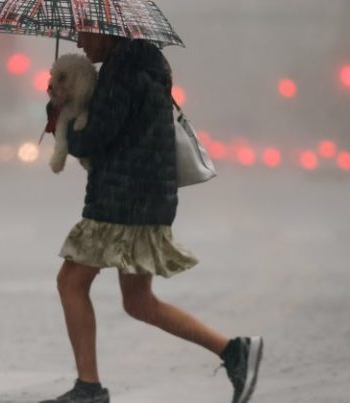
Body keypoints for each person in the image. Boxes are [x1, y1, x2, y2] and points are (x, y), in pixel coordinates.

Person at [40, 32, 263, 403]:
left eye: (85, 32)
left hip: (122, 199)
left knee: (71, 283)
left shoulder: (123, 69)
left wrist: (63, 119)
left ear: (104, 29)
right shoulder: (142, 62)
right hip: (144, 197)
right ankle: (234, 351)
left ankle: (89, 387)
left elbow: (97, 135)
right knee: (139, 301)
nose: (80, 42)